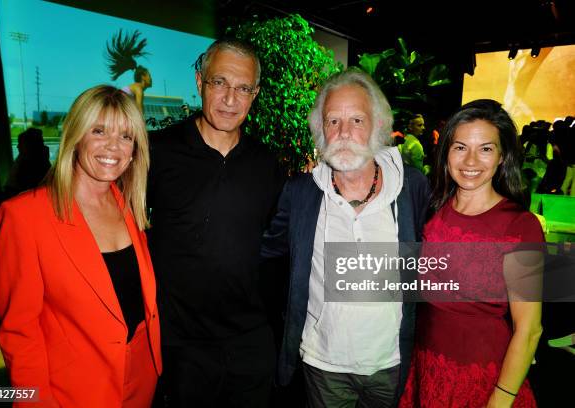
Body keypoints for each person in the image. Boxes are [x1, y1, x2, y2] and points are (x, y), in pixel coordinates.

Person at [262, 69, 431, 407]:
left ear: (378, 126)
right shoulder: (300, 193)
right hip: (323, 364)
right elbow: (269, 254)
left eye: (356, 120)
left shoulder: (411, 187)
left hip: (391, 363)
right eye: (333, 121)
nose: (343, 133)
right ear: (320, 130)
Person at [0, 85, 161, 407]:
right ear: (76, 136)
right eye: (99, 131)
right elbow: (19, 334)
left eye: (126, 136)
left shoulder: (128, 207)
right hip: (73, 391)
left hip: (142, 379)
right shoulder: (24, 217)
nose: (114, 146)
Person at [147, 38, 284, 407]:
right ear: (198, 82)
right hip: (182, 346)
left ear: (254, 94)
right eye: (219, 83)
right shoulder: (156, 152)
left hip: (250, 342)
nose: (229, 99)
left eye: (243, 88)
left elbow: (278, 245)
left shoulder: (266, 164)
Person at [399, 99, 544, 407]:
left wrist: (501, 400)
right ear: (446, 151)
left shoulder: (520, 226)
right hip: (425, 365)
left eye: (486, 149)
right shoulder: (432, 210)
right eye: (461, 147)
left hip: (484, 379)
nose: (470, 160)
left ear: (503, 156)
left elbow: (530, 329)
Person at [106, 29, 152, 114]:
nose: (151, 79)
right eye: (149, 75)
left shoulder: (134, 88)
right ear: (143, 77)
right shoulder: (138, 88)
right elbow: (139, 113)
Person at [4, 127, 51, 195]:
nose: (17, 146)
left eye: (20, 143)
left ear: (28, 145)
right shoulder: (40, 160)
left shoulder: (30, 164)